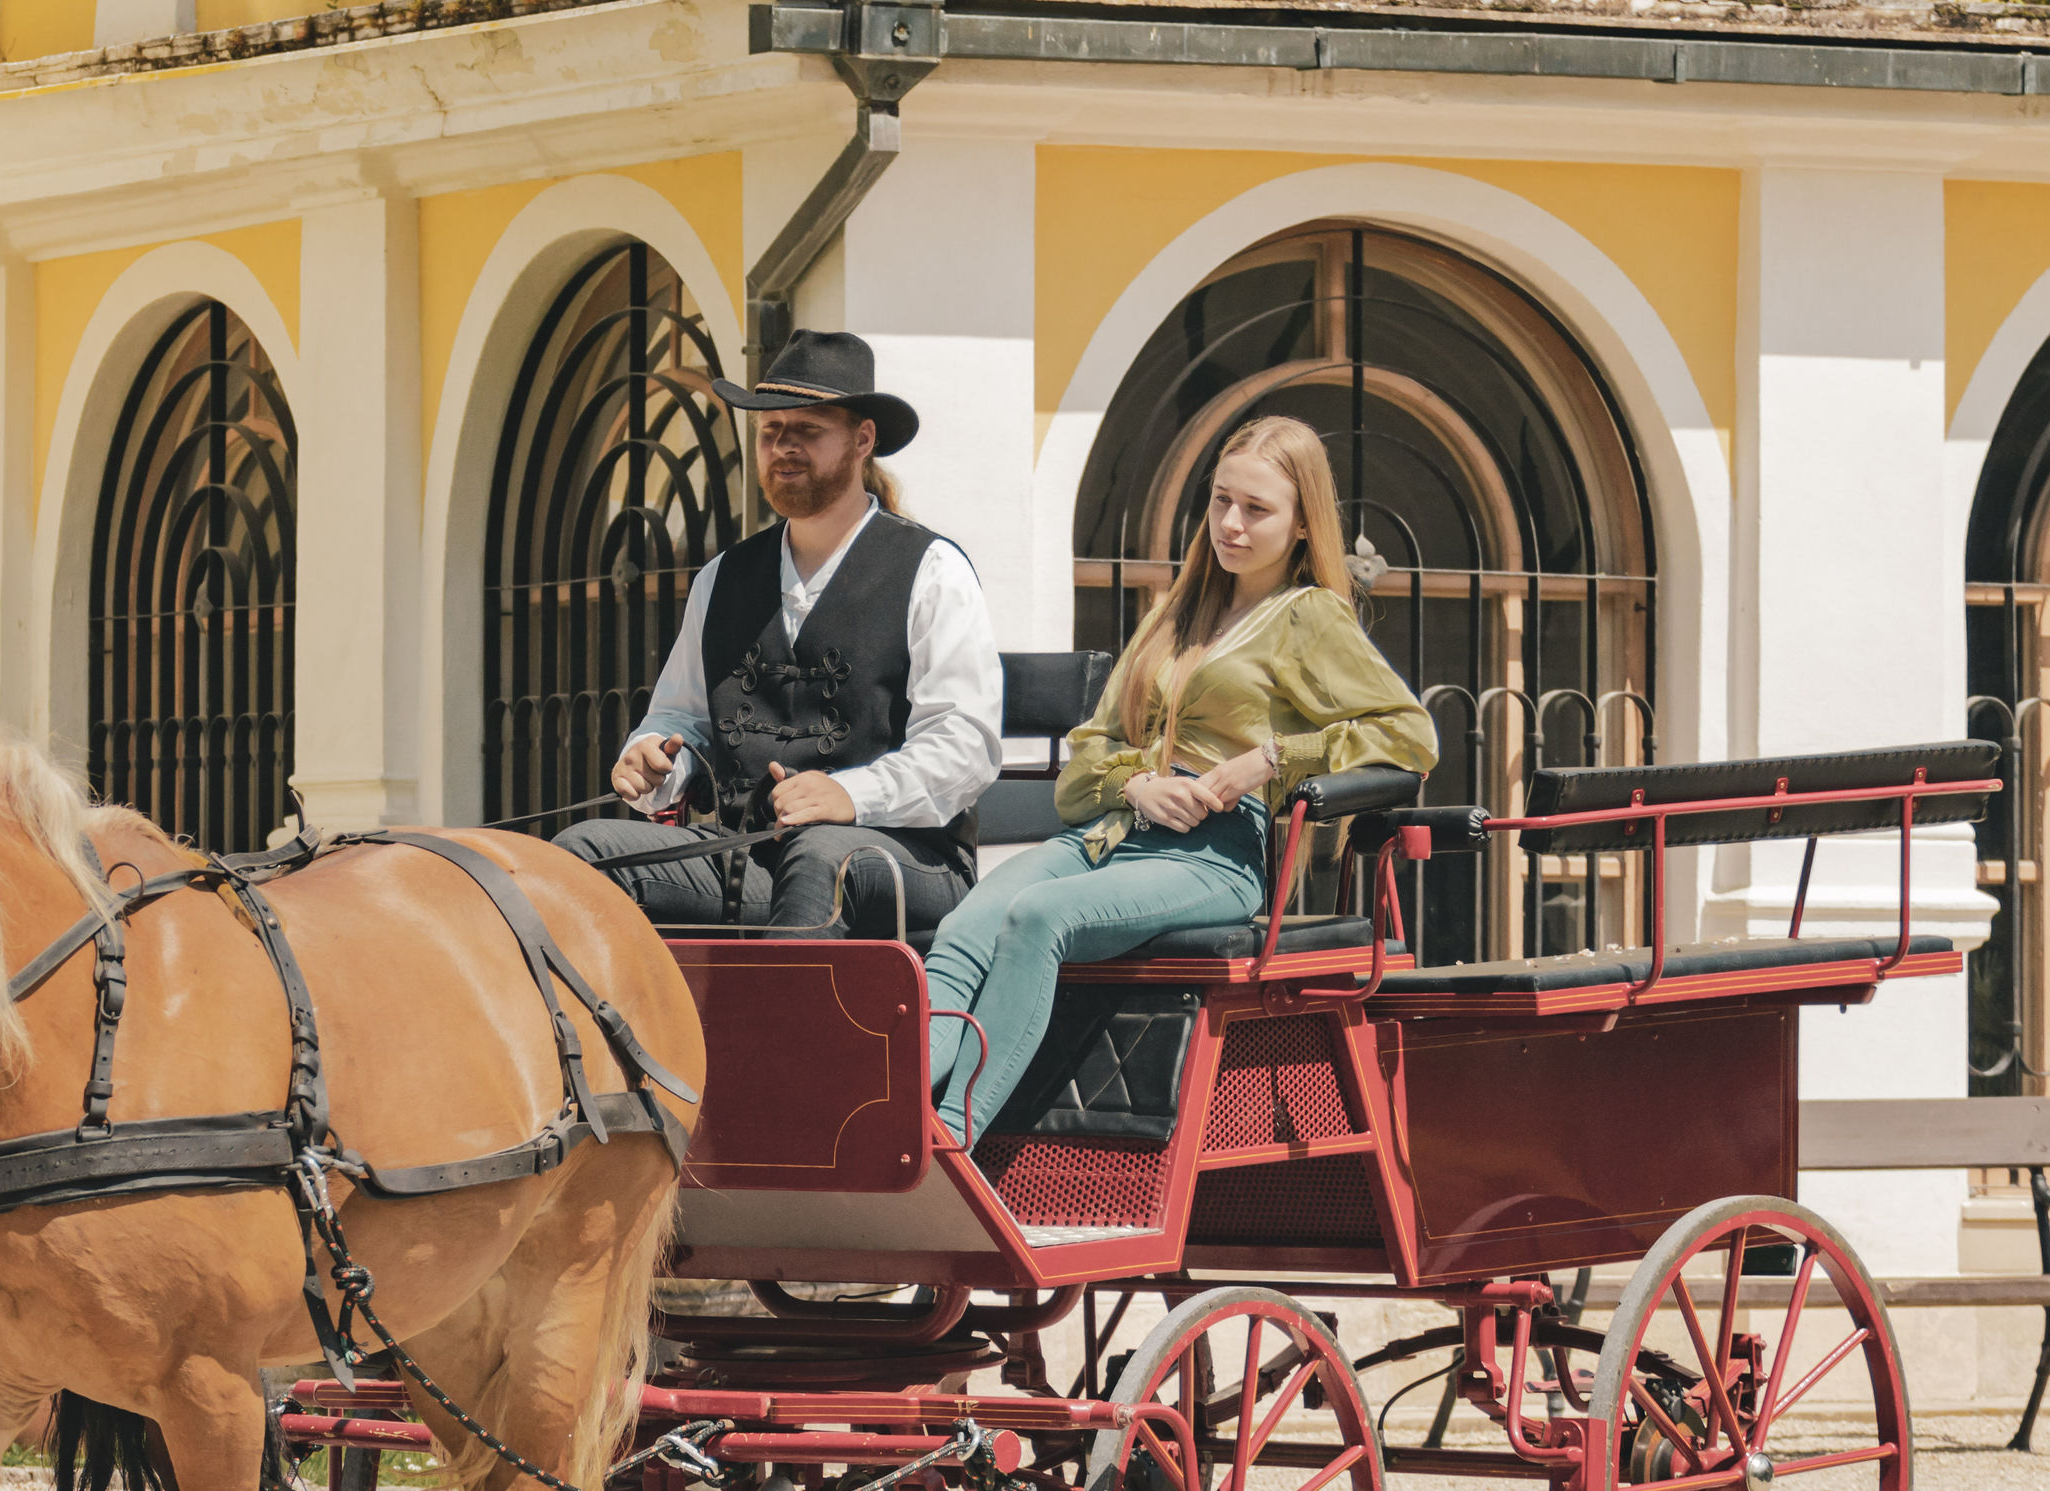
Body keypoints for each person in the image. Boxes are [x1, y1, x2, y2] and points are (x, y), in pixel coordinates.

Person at [923, 413, 1437, 1142]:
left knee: (1039, 919)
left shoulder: (1309, 616)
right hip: (1109, 838)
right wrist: (1136, 784)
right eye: (1221, 500)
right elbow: (1086, 760)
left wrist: (1270, 760)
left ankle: (951, 1135)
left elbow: (1411, 735)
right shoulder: (1174, 612)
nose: (1230, 523)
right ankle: (896, 1118)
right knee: (969, 921)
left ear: (1300, 526)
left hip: (1214, 856)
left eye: (1256, 509)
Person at [557, 331, 1002, 938]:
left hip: (906, 861)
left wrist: (851, 796)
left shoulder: (932, 570)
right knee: (581, 853)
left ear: (862, 439)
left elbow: (964, 746)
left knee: (822, 855)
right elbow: (682, 719)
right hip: (750, 856)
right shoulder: (723, 578)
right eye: (771, 432)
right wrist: (659, 759)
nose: (784, 447)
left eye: (808, 431)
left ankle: (784, 1035)